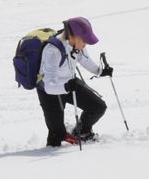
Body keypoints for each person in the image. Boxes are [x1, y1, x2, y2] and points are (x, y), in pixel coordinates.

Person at [37, 16, 111, 146]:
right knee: (56, 136)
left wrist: (100, 71)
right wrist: (66, 87)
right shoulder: (52, 51)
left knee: (98, 107)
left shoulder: (78, 45)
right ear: (72, 36)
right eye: (84, 40)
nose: (85, 44)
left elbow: (85, 60)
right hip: (50, 93)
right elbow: (48, 86)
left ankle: (82, 131)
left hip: (70, 83)